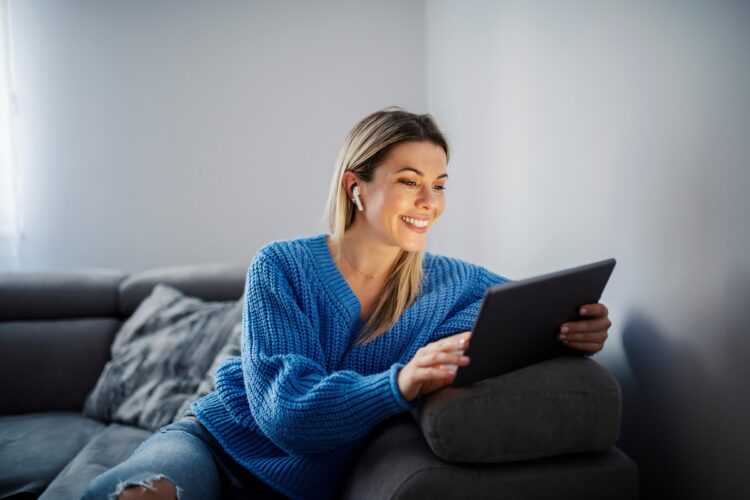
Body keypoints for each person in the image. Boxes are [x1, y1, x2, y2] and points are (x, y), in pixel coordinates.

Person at [81, 107, 611, 500]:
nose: (430, 202)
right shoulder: (281, 266)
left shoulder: (457, 285)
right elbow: (285, 414)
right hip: (215, 443)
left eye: (440, 185)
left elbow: (529, 316)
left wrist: (578, 331)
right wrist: (397, 384)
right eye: (410, 182)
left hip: (305, 487)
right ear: (356, 187)